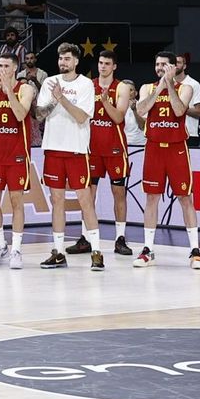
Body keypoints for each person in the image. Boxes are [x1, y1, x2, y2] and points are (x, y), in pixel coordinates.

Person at [133, 51, 200, 269]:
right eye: (157, 64)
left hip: (177, 149)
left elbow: (179, 110)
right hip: (154, 148)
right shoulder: (147, 87)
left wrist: (169, 85)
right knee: (152, 198)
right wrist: (160, 88)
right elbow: (141, 109)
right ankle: (148, 249)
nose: (160, 67)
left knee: (185, 198)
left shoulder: (187, 87)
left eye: (164, 64)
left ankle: (195, 251)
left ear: (173, 67)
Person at [36, 42, 100, 270]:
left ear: (76, 61)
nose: (63, 62)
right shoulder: (49, 82)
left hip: (76, 150)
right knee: (57, 202)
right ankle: (59, 252)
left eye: (67, 59)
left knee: (85, 201)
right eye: (60, 59)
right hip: (53, 149)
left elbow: (82, 117)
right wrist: (54, 99)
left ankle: (96, 251)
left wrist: (62, 99)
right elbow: (39, 115)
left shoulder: (85, 85)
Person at [0, 55, 35, 269]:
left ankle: (16, 249)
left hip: (17, 154)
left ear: (14, 68)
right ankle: (0, 244)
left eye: (5, 66)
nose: (1, 69)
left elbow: (21, 114)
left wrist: (8, 90)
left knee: (16, 201)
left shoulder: (25, 89)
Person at [87, 50, 134, 256]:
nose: (103, 66)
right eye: (100, 62)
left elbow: (118, 117)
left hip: (115, 147)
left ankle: (120, 238)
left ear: (114, 66)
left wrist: (105, 102)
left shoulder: (121, 87)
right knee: (88, 195)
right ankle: (86, 237)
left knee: (119, 194)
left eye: (107, 63)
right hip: (92, 147)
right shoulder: (89, 85)